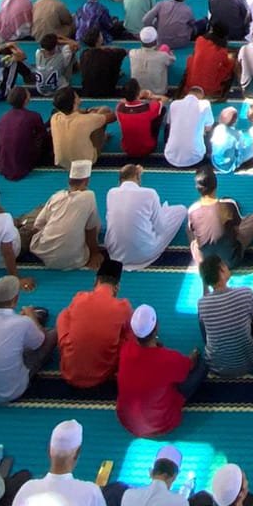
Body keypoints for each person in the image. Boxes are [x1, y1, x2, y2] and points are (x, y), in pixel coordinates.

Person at [118, 302, 209, 437]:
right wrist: (194, 355)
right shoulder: (167, 359)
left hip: (129, 422)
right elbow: (189, 366)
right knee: (205, 363)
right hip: (160, 424)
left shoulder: (125, 350)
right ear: (156, 329)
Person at [0, 277, 55, 404]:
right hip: (9, 392)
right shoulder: (22, 322)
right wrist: (31, 317)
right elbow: (40, 342)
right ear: (15, 299)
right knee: (52, 335)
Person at [55, 258, 131, 388]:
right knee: (130, 331)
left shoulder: (80, 298)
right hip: (103, 374)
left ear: (95, 281)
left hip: (69, 372)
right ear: (117, 287)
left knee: (64, 315)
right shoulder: (123, 306)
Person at [23, 161, 102, 272]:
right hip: (76, 260)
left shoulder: (56, 197)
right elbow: (91, 230)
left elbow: (38, 225)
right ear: (87, 180)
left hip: (44, 254)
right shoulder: (89, 196)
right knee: (94, 222)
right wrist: (95, 254)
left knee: (39, 212)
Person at [103, 165, 187, 269]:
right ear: (137, 177)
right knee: (180, 210)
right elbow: (161, 228)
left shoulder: (111, 193)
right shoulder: (150, 193)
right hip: (144, 254)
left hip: (115, 254)